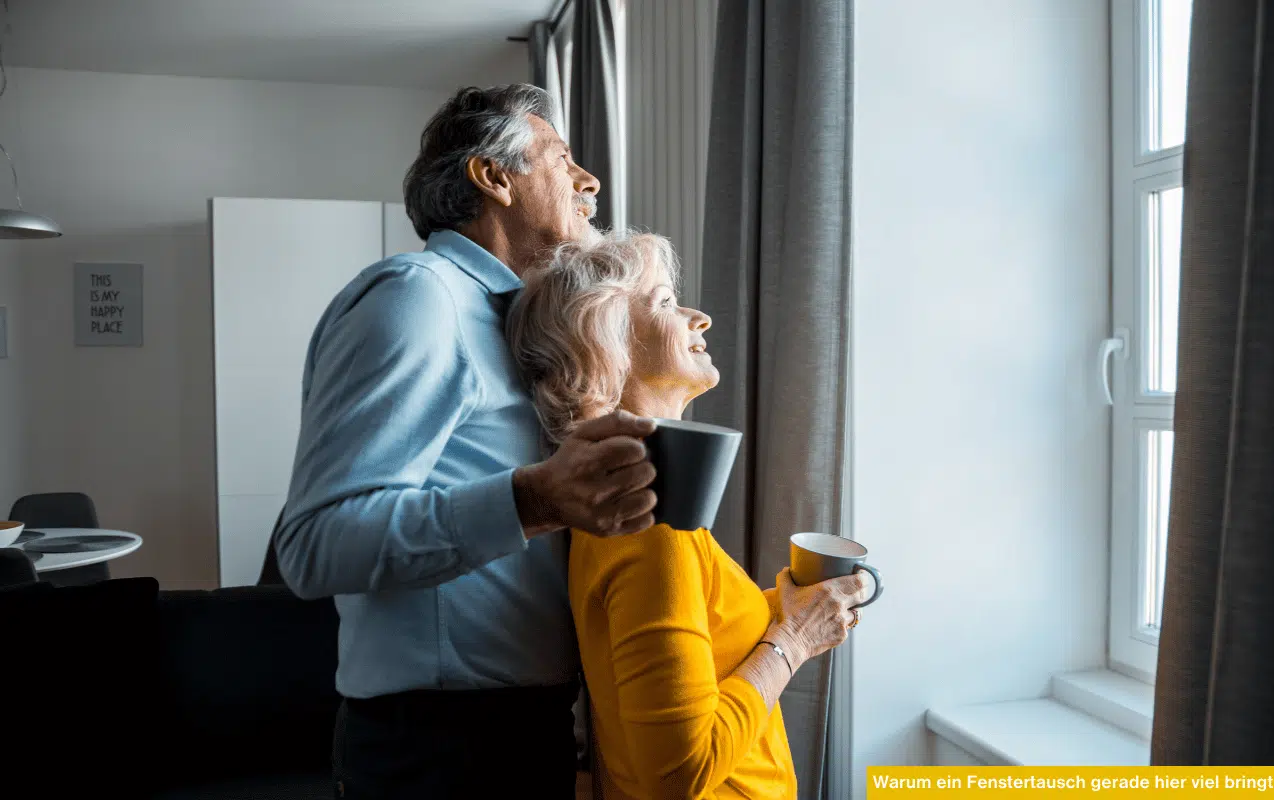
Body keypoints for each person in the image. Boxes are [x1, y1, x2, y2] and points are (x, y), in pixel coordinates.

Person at [273, 84, 661, 799]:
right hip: (438, 747)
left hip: (522, 729)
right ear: (492, 177)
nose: (591, 181)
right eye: (564, 158)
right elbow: (312, 546)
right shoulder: (417, 296)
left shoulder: (518, 320)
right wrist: (537, 499)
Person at [506, 231, 875, 799]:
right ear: (609, 351)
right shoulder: (650, 528)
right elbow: (680, 773)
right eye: (663, 301)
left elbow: (697, 646)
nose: (698, 316)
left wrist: (790, 609)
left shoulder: (622, 506)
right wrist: (795, 640)